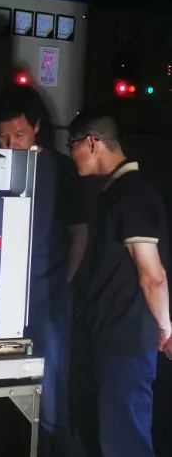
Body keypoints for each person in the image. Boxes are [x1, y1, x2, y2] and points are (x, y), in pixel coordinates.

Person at [67, 109, 172, 457]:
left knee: (124, 442)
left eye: (72, 145)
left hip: (125, 343)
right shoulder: (114, 192)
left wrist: (166, 328)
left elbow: (153, 276)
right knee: (108, 438)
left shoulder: (132, 194)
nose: (71, 154)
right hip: (109, 337)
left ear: (91, 143)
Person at [0, 84, 88, 457]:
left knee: (51, 388)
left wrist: (62, 282)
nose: (11, 144)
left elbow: (79, 235)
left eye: (19, 134)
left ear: (36, 127)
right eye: (3, 136)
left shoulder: (59, 169)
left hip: (48, 296)